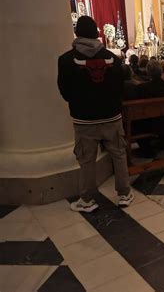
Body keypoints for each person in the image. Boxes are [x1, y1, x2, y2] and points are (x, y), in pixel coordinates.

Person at [57, 16, 134, 212]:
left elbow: (64, 91)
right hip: (111, 116)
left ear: (77, 33)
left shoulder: (65, 60)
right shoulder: (114, 59)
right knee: (118, 154)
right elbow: (120, 88)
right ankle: (125, 194)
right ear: (97, 33)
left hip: (84, 119)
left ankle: (87, 199)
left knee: (86, 159)